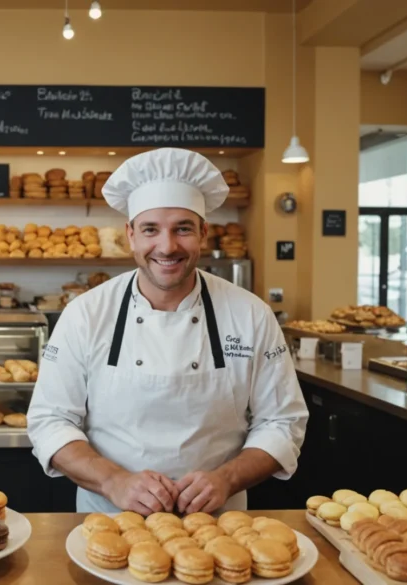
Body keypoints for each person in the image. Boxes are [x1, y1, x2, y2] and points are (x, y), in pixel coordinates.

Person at [27, 147, 308, 514]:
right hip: (109, 523)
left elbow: (283, 422)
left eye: (183, 229)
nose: (167, 246)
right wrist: (113, 480)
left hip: (220, 527)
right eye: (150, 230)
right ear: (130, 235)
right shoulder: (85, 314)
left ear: (204, 233)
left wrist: (227, 478)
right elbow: (51, 421)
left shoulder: (251, 314)